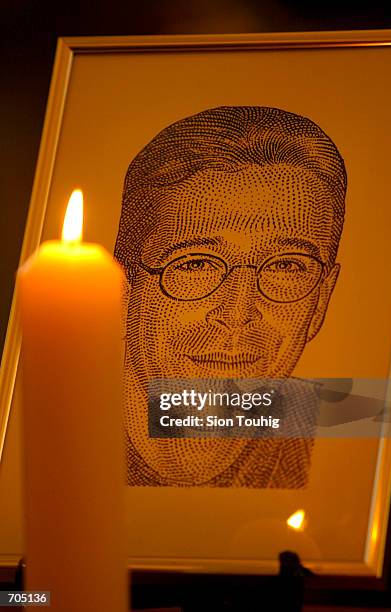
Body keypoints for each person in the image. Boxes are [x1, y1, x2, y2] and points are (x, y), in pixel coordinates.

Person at [114, 106, 346, 488]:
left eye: (285, 266)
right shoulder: (58, 437)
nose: (238, 312)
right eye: (195, 264)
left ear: (321, 299)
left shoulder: (349, 433)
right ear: (121, 292)